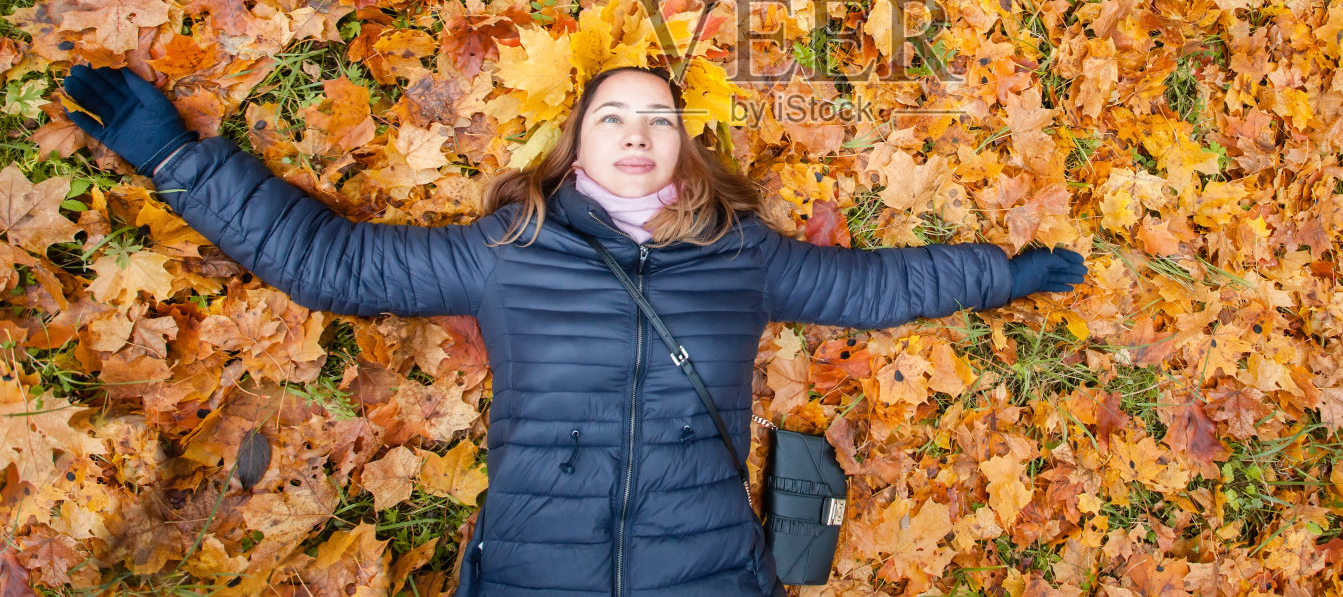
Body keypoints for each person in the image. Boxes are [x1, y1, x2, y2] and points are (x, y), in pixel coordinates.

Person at [63, 62, 1087, 597]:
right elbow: (332, 262)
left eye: (656, 116)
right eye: (613, 116)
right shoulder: (510, 244)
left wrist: (999, 274)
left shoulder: (743, 254)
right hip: (529, 572)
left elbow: (872, 287)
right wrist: (176, 157)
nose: (636, 130)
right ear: (577, 145)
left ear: (682, 145)